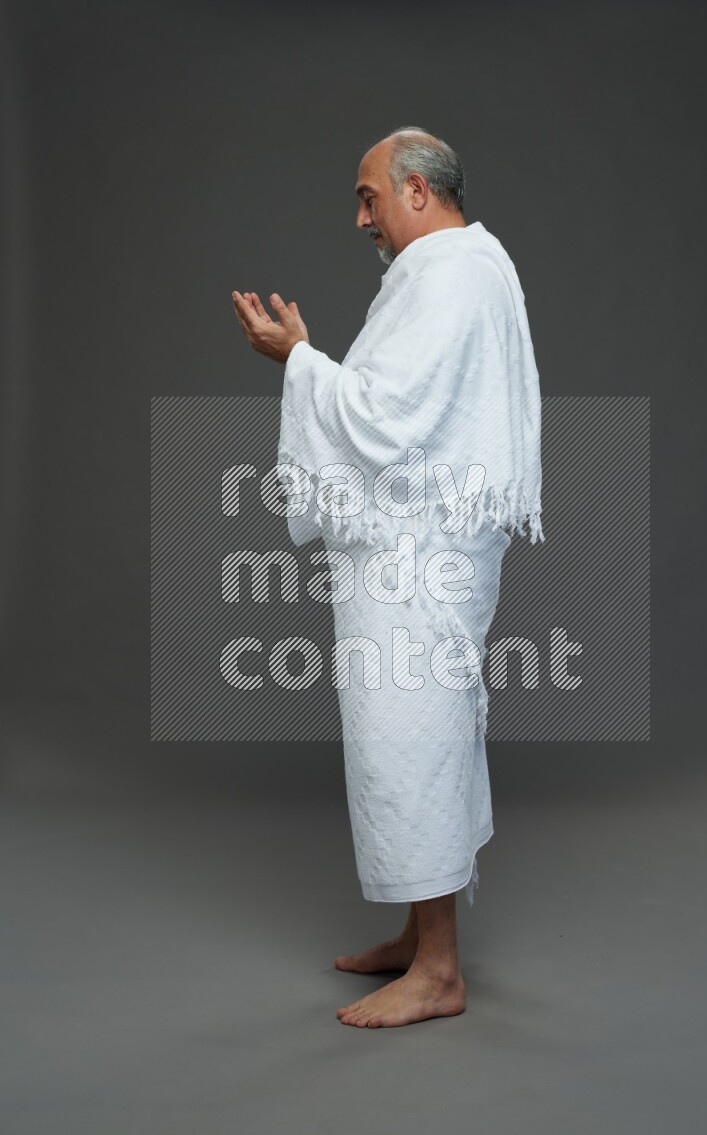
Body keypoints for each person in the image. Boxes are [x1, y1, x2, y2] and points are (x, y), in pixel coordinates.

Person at [232, 126, 543, 1029]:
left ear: (416, 188)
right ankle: (419, 933)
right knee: (410, 733)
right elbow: (398, 406)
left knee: (412, 734)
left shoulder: (448, 273)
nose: (361, 215)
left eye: (370, 196)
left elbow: (384, 416)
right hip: (420, 546)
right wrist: (314, 365)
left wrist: (296, 357)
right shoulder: (466, 263)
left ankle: (440, 971)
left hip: (419, 558)